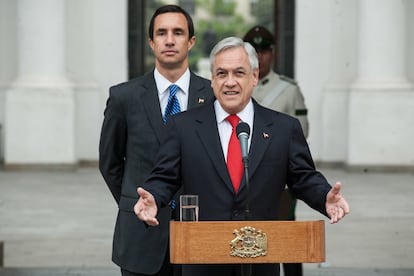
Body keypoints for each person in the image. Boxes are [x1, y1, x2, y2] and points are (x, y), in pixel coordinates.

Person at [133, 37, 350, 276]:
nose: (230, 82)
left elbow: (303, 177)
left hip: (260, 261)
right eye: (221, 73)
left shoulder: (283, 128)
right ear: (212, 80)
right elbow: (165, 176)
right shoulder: (183, 126)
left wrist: (324, 197)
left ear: (254, 77)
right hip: (203, 262)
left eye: (239, 72)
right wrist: (153, 196)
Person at [99, 4, 214, 276]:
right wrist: (134, 202)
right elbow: (110, 164)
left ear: (191, 42)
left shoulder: (212, 96)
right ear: (151, 42)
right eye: (161, 33)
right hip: (140, 235)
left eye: (178, 32)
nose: (170, 40)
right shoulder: (123, 97)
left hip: (198, 233)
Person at [243, 25, 308, 276]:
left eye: (264, 50)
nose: (260, 56)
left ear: (272, 54)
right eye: (254, 50)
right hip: (240, 177)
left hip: (278, 179)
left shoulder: (288, 90)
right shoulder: (234, 85)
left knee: (286, 237)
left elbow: (301, 133)